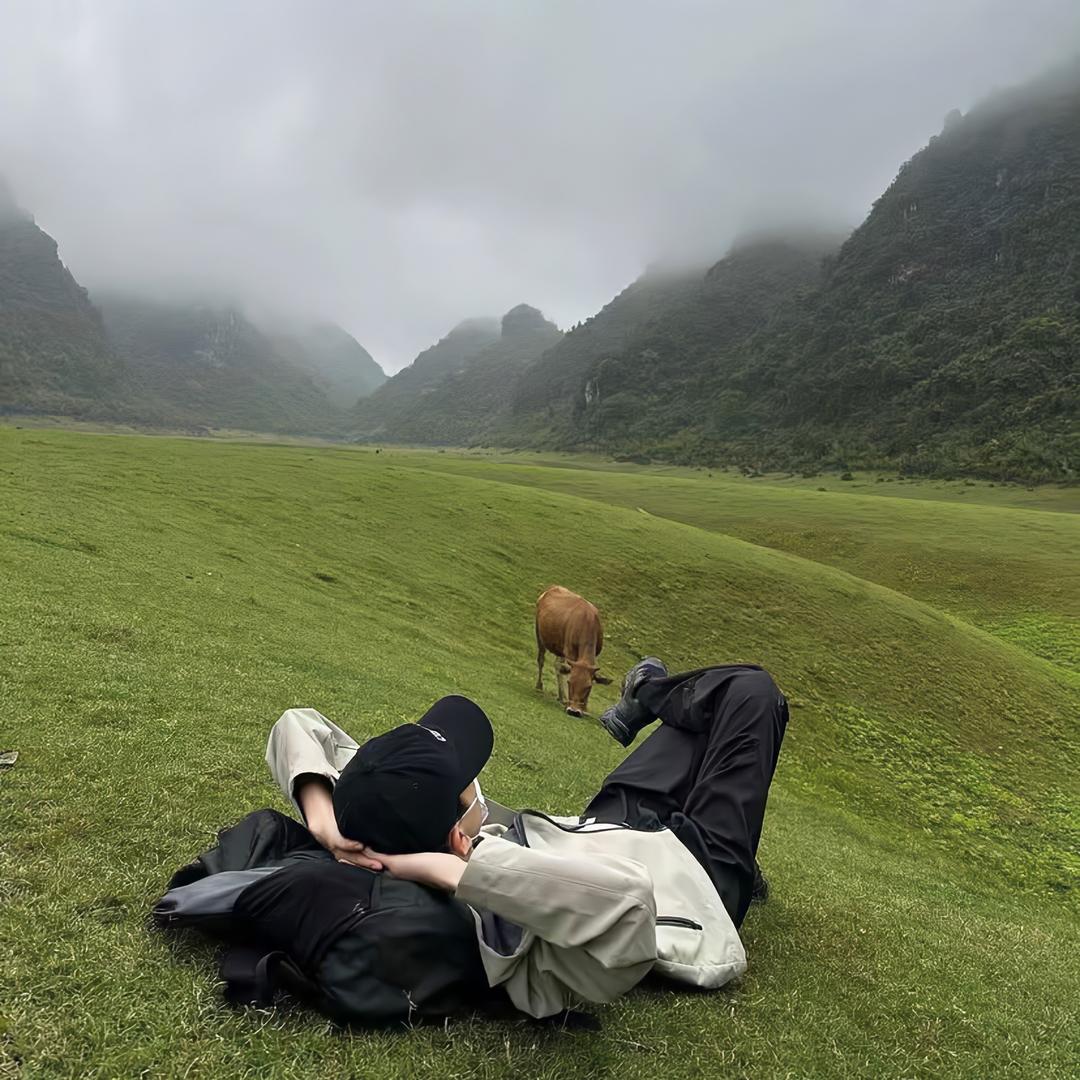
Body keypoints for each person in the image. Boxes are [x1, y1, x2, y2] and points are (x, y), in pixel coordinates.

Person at [266, 659, 788, 1018]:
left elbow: (299, 724)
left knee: (708, 712)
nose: (475, 778)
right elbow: (630, 903)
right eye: (467, 775)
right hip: (694, 877)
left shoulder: (377, 811)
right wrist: (458, 872)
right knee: (754, 693)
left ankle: (645, 697)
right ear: (457, 833)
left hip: (602, 825)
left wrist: (325, 824)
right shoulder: (506, 935)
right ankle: (647, 695)